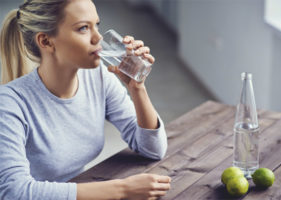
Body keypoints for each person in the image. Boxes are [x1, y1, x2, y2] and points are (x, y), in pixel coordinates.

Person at [0, 0, 171, 199]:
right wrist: (123, 189)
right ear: (46, 41)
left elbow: (153, 149)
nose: (98, 37)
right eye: (83, 28)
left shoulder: (98, 78)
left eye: (96, 25)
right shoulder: (9, 104)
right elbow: (14, 192)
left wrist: (137, 88)